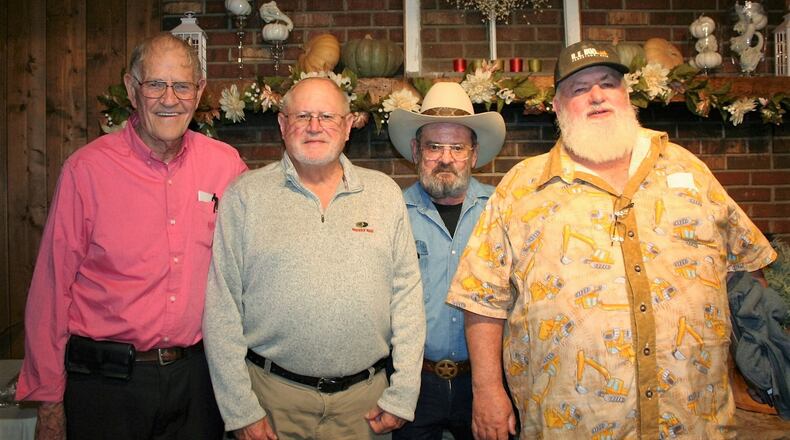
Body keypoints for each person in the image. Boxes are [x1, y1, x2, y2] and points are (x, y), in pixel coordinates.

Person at [446, 41, 777, 439]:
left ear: (627, 95)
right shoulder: (521, 187)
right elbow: (482, 298)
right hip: (569, 426)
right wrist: (486, 391)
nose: (597, 95)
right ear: (557, 107)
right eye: (579, 88)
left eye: (607, 83)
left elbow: (747, 268)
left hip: (695, 421)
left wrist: (755, 361)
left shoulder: (689, 169)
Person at [14, 33, 248, 439]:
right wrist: (49, 401)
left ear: (199, 92)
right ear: (131, 88)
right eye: (155, 84)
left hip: (197, 383)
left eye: (182, 86)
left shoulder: (225, 166)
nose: (169, 99)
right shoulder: (86, 171)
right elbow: (51, 291)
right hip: (107, 387)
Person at [202, 76, 425, 440]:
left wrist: (403, 393)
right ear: (282, 124)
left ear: (348, 126)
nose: (315, 127)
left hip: (364, 407)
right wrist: (240, 410)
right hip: (272, 402)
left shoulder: (384, 194)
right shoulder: (245, 197)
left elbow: (408, 300)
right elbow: (221, 309)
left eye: (327, 117)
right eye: (302, 116)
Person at [387, 82, 505, 440]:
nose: (445, 158)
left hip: (486, 382)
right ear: (415, 151)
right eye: (434, 147)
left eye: (457, 147)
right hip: (413, 384)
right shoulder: (392, 213)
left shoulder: (501, 210)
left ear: (474, 154)